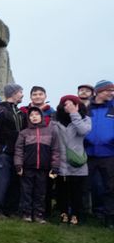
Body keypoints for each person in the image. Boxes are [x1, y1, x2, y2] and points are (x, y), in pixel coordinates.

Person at [14, 106, 60, 223]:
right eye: (31, 115)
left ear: (41, 116)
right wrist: (18, 165)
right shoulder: (24, 133)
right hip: (27, 167)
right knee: (26, 192)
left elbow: (55, 150)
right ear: (28, 118)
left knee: (41, 193)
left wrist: (55, 166)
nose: (34, 117)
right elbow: (19, 150)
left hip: (44, 168)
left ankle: (39, 214)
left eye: (36, 114)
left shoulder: (51, 132)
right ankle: (26, 214)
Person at [0, 83, 27, 217]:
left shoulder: (20, 113)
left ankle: (11, 209)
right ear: (14, 93)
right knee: (1, 181)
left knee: (14, 182)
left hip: (18, 154)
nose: (22, 94)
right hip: (4, 153)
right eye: (20, 92)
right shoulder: (0, 111)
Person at [54, 94, 91, 225]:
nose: (68, 106)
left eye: (71, 104)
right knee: (62, 189)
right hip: (61, 161)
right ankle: (63, 212)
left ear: (77, 105)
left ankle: (75, 213)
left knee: (77, 190)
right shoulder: (56, 122)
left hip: (77, 161)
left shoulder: (85, 120)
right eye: (65, 104)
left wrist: (74, 114)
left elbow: (83, 131)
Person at [85, 79, 114, 227]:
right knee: (84, 185)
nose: (111, 93)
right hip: (88, 154)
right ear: (98, 92)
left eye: (112, 90)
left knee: (110, 187)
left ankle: (109, 217)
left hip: (109, 154)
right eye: (108, 90)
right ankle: (81, 214)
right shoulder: (87, 107)